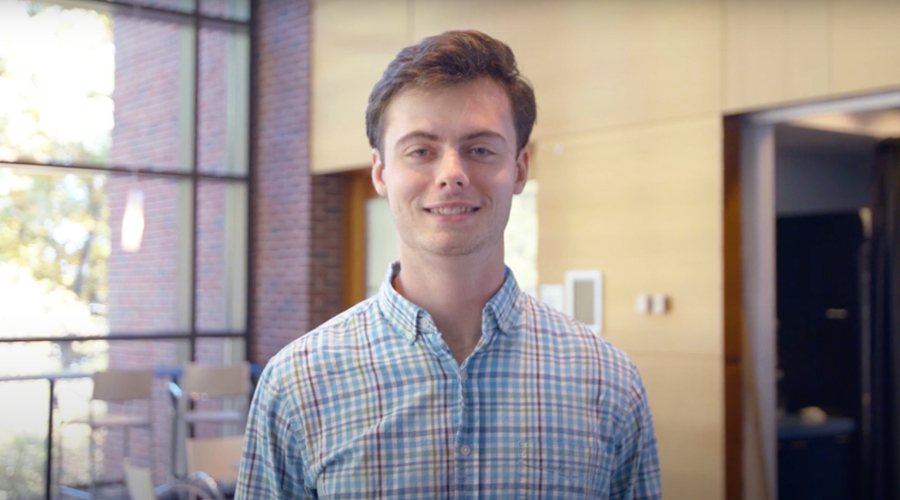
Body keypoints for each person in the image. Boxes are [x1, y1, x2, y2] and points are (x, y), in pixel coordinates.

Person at [236, 30, 661, 499]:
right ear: (381, 172)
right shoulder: (297, 384)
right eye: (421, 150)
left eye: (480, 149)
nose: (452, 173)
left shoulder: (608, 381)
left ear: (519, 169)